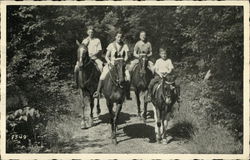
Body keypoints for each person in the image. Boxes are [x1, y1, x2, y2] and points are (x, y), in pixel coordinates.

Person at [93, 31, 130, 98]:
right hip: (112, 63)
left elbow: (127, 56)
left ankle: (127, 94)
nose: (119, 38)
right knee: (102, 76)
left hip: (121, 64)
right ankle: (98, 92)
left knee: (128, 77)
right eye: (118, 37)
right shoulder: (111, 45)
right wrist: (109, 62)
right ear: (115, 37)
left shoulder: (125, 46)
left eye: (121, 37)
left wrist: (124, 61)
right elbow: (106, 56)